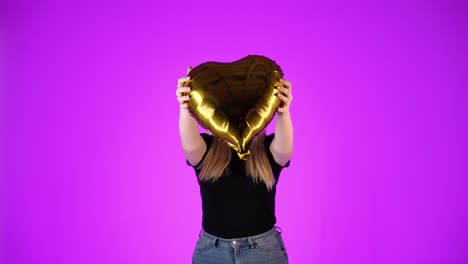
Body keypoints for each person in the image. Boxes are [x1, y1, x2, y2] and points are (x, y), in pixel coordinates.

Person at [176, 66, 294, 264]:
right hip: (212, 252)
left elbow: (284, 151)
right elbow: (188, 145)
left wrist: (284, 112)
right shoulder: (207, 149)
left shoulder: (267, 150)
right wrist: (185, 107)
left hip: (264, 252)